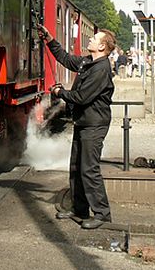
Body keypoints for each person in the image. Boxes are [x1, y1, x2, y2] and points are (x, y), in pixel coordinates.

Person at [38, 24, 115, 229]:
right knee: (76, 167)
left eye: (94, 39)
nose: (89, 40)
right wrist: (49, 38)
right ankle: (79, 208)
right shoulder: (88, 62)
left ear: (102, 47)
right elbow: (65, 58)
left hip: (94, 124)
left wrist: (59, 93)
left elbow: (81, 97)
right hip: (84, 122)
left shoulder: (101, 69)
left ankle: (101, 213)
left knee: (89, 169)